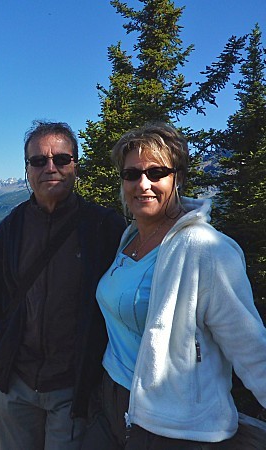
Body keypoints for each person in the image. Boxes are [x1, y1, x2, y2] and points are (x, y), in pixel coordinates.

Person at [82, 122, 266, 449]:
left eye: (156, 173)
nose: (143, 184)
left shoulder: (207, 249)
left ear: (177, 178)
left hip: (173, 426)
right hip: (113, 399)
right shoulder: (130, 240)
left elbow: (251, 348)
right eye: (131, 174)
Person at [0, 120, 126, 449]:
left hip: (73, 388)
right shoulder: (10, 229)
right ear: (27, 169)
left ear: (75, 166)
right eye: (38, 160)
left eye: (61, 159)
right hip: (15, 383)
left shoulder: (105, 228)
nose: (50, 168)